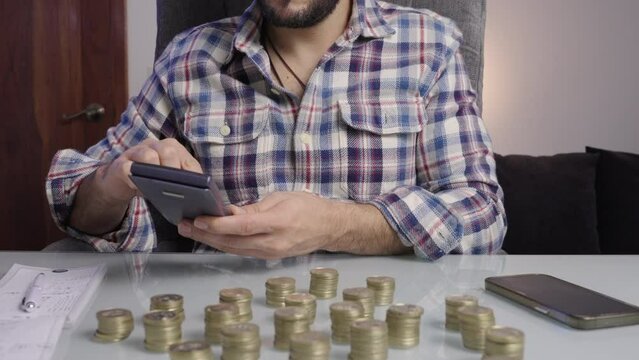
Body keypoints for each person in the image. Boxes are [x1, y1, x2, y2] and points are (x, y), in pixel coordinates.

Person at [46, 0, 506, 260]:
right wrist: (113, 182)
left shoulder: (429, 44)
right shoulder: (188, 57)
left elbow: (481, 215)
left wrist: (335, 225)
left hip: (382, 322)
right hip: (222, 323)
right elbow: (76, 201)